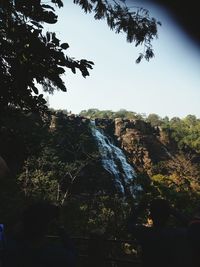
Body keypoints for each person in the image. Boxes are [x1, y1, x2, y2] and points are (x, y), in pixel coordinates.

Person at [3, 201, 77, 267]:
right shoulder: (56, 256)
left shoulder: (10, 251)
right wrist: (60, 228)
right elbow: (72, 254)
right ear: (48, 226)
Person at [127, 198, 188, 267]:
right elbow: (190, 227)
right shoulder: (176, 233)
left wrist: (139, 209)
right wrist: (173, 211)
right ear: (168, 216)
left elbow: (129, 224)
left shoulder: (145, 233)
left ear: (151, 216)